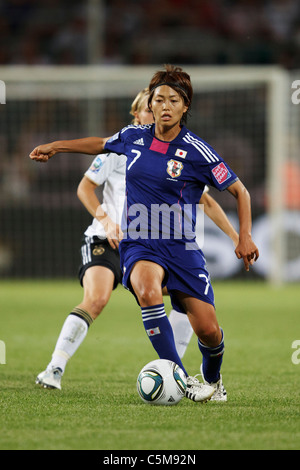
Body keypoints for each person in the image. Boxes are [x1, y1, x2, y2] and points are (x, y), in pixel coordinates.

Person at [30, 65, 259, 402]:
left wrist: (244, 237)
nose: (165, 106)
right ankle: (179, 375)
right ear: (149, 105)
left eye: (173, 101)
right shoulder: (133, 137)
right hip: (140, 241)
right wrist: (57, 145)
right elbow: (99, 144)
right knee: (148, 289)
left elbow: (240, 191)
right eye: (159, 100)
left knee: (209, 331)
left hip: (182, 247)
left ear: (184, 108)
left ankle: (212, 379)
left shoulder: (197, 150)